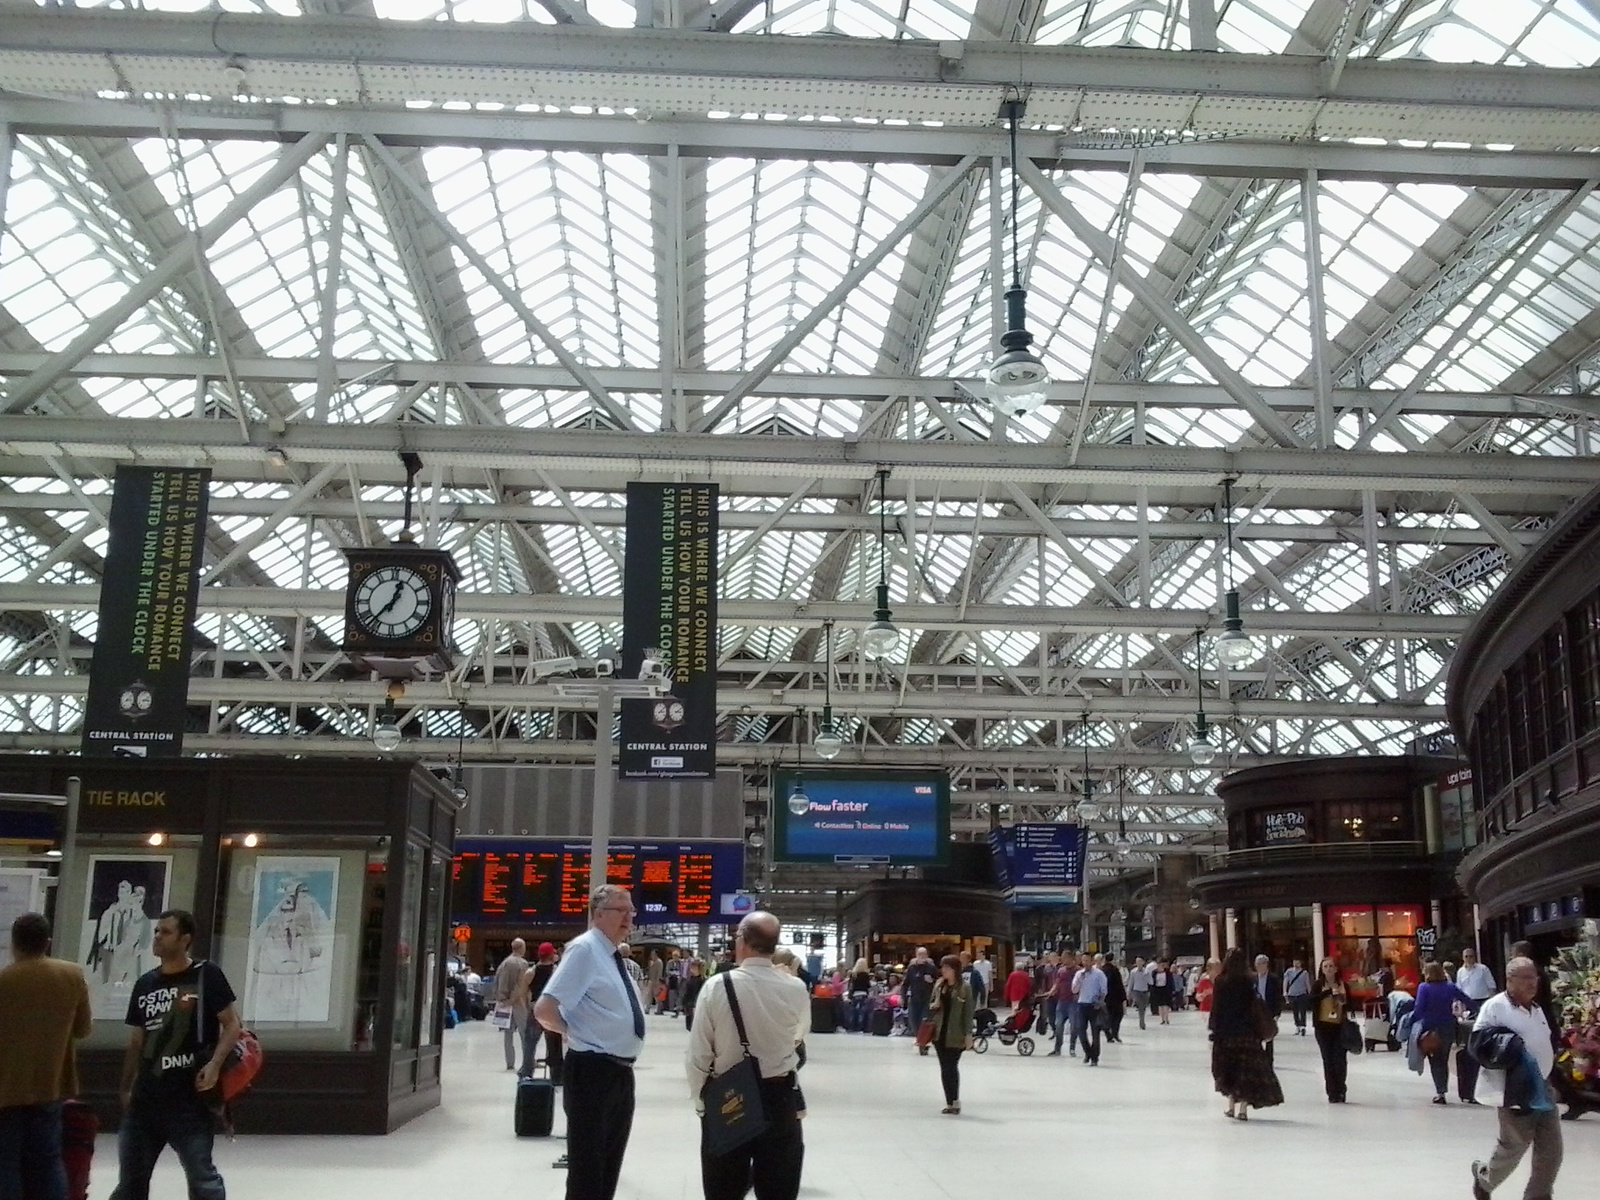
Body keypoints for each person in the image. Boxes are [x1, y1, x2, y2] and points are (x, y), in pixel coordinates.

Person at [111, 909, 242, 1200]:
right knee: (131, 1183)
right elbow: (137, 1041)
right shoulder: (145, 983)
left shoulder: (206, 975)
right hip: (146, 1100)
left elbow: (233, 1024)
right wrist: (125, 1086)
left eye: (166, 932)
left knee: (202, 1180)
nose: (157, 937)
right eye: (156, 931)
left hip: (189, 1100)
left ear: (185, 939)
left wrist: (215, 1064)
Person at [686, 911, 810, 1200]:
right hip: (780, 1096)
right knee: (779, 1187)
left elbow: (699, 1053)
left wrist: (702, 1103)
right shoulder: (796, 988)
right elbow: (799, 1034)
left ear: (742, 941)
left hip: (729, 1095)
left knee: (724, 1187)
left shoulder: (717, 986)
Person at [534, 886, 646, 1200]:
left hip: (619, 1072)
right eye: (620, 910)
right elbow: (544, 1009)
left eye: (631, 910)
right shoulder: (585, 949)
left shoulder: (611, 955)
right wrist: (575, 1033)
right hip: (593, 1071)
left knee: (609, 1164)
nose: (628, 917)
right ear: (598, 915)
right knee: (588, 1167)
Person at [0, 912, 92, 1200]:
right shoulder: (72, 975)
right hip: (51, 1085)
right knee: (48, 1160)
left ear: (14, 944)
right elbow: (83, 1029)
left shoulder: (5, 979)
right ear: (47, 942)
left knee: (6, 1164)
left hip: (6, 1088)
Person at [1468, 956, 1562, 1200]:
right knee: (1514, 1146)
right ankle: (1484, 1181)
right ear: (1510, 980)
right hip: (1516, 1088)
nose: (1533, 983)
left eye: (1535, 978)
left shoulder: (1537, 1008)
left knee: (1551, 1149)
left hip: (1544, 1085)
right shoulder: (1495, 1007)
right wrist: (1508, 1050)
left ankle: (1538, 1195)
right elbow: (1478, 1045)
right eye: (1527, 978)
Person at [1208, 947, 1283, 1121]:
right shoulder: (1249, 980)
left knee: (1229, 1069)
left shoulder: (1221, 981)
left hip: (1227, 1033)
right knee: (1245, 1071)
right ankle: (1243, 1109)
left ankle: (1230, 1107)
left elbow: (1217, 1008)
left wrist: (1214, 1029)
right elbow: (1253, 1006)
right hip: (1247, 1033)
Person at [1414, 960, 1471, 1105]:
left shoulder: (1424, 988)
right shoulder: (1450, 987)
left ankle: (1441, 1092)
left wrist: (1412, 1022)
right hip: (1448, 1027)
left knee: (1435, 1060)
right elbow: (1467, 1000)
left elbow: (1419, 1009)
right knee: (1444, 1058)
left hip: (1430, 1028)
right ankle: (1442, 1090)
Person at [926, 955, 974, 1114]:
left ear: (955, 969)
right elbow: (931, 1004)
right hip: (939, 1033)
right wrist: (935, 1004)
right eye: (942, 967)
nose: (943, 970)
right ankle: (949, 1102)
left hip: (956, 1033)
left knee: (951, 1067)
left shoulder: (964, 988)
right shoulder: (939, 985)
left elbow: (968, 1013)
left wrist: (968, 1035)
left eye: (947, 967)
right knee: (944, 1068)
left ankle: (955, 1101)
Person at [1456, 947, 1497, 1104]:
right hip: (1468, 1002)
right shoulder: (1461, 972)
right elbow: (1459, 990)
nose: (1469, 959)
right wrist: (1460, 1007)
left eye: (1471, 956)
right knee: (1468, 1031)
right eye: (1466, 956)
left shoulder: (1483, 969)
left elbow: (1491, 986)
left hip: (1482, 1001)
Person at [514, 942, 558, 1081]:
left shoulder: (530, 972)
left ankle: (526, 1071)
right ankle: (556, 1075)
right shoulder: (557, 971)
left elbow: (522, 992)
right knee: (554, 1045)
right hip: (552, 1010)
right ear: (551, 955)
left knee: (530, 1043)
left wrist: (528, 1006)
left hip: (536, 1009)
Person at [1310, 957, 1352, 1103]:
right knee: (1328, 1060)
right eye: (1325, 966)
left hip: (1339, 1027)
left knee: (1340, 1060)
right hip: (1323, 1027)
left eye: (1331, 966)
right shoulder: (1318, 985)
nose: (1328, 969)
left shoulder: (1343, 984)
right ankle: (1332, 1092)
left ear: (1336, 969)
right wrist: (1327, 993)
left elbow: (1350, 1004)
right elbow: (1311, 1001)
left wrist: (1342, 1000)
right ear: (1322, 969)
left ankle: (1341, 1088)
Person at [493, 937, 531, 1072]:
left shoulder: (503, 963)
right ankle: (528, 1061)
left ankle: (510, 1063)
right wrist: (514, 999)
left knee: (507, 1034)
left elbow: (497, 982)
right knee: (524, 1033)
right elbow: (521, 984)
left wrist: (501, 1000)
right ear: (521, 948)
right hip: (518, 1002)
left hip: (503, 1003)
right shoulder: (523, 963)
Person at [1075, 953, 1107, 1066]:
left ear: (1092, 961)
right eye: (1083, 961)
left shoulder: (1099, 974)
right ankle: (1088, 1052)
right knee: (1081, 1031)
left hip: (1094, 1005)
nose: (1085, 963)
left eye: (1087, 960)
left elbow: (1104, 990)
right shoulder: (1079, 974)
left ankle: (1095, 1057)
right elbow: (1074, 990)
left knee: (1095, 1033)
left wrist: (1100, 1002)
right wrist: (1080, 980)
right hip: (1082, 1004)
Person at [902, 948, 937, 1051]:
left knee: (924, 1021)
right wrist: (903, 997)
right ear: (916, 955)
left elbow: (939, 981)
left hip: (927, 999)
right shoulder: (912, 968)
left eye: (924, 954)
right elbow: (905, 984)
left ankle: (924, 1043)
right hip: (914, 999)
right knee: (914, 1021)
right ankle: (920, 1039)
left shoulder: (931, 968)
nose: (922, 956)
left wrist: (932, 981)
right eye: (920, 954)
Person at [1046, 954, 1076, 1056]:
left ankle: (1072, 1048)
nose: (1064, 960)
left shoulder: (1078, 971)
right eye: (1063, 958)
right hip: (1062, 1001)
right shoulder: (1061, 971)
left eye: (1066, 958)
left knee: (1074, 1026)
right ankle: (1057, 1048)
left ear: (1072, 959)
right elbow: (1056, 983)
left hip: (1073, 1002)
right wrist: (1052, 991)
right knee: (1058, 1025)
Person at [1283, 958, 1312, 1035]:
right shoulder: (1289, 972)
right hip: (1292, 994)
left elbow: (1307, 983)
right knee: (1295, 1011)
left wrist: (1310, 993)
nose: (1296, 963)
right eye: (1295, 962)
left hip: (1302, 994)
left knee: (1302, 1011)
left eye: (1298, 962)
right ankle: (1297, 1025)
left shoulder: (1304, 973)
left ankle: (1302, 1026)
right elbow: (1285, 982)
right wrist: (1285, 991)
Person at [1102, 954, 1126, 1043]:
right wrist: (1123, 997)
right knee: (1118, 1015)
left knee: (1108, 1016)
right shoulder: (1114, 970)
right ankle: (1114, 1033)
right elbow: (1119, 984)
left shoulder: (1101, 970)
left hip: (1105, 998)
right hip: (1116, 998)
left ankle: (1109, 1033)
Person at [847, 958, 872, 1032]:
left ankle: (853, 1026)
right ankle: (863, 1027)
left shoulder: (853, 974)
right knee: (863, 1011)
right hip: (863, 994)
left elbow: (851, 986)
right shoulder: (865, 975)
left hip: (855, 994)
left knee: (854, 1011)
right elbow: (868, 985)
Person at [682, 959, 707, 1032]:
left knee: (695, 1026)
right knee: (689, 1026)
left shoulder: (702, 980)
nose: (691, 969)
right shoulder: (691, 978)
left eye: (693, 967)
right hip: (689, 1004)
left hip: (696, 1005)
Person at [1127, 957, 1152, 1030]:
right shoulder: (1133, 972)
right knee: (1140, 1007)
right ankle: (1142, 1022)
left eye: (1140, 961)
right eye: (1137, 961)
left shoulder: (1147, 971)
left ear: (1143, 962)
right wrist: (1129, 992)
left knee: (1144, 1007)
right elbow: (1131, 982)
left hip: (1145, 991)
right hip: (1137, 991)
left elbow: (1151, 982)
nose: (1138, 963)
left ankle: (1142, 1019)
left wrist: (1147, 976)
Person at [1150, 959, 1172, 1025]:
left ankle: (1166, 1019)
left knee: (1166, 1005)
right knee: (1160, 1005)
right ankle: (1162, 1019)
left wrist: (1172, 989)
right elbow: (1152, 981)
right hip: (1157, 989)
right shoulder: (1154, 972)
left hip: (1165, 989)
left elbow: (1170, 981)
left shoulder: (1167, 972)